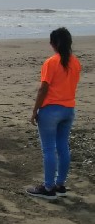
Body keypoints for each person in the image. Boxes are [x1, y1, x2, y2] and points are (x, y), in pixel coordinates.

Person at [27, 27, 81, 200]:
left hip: (51, 110)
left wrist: (35, 110)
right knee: (63, 147)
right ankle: (60, 183)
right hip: (68, 109)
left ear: (53, 43)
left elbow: (44, 88)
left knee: (49, 149)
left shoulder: (51, 62)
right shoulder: (75, 62)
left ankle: (48, 187)